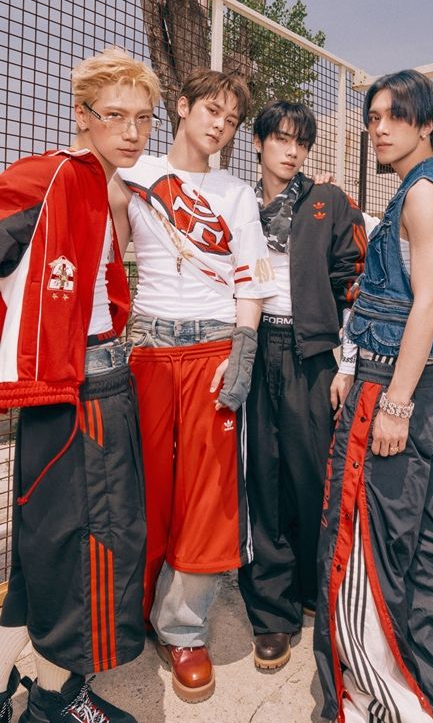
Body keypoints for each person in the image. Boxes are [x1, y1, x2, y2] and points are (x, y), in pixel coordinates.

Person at [314, 70, 433, 723]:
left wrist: (392, 404)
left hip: (394, 389)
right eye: (373, 117)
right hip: (411, 385)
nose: (379, 128)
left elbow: (429, 303)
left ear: (426, 124)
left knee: (362, 550)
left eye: (394, 116)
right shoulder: (429, 186)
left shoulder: (421, 193)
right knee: (431, 550)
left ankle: (376, 701)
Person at [0, 47, 161, 723]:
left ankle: (20, 689)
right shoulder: (49, 175)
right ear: (82, 114)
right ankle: (58, 701)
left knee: (46, 547)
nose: (131, 131)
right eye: (115, 115)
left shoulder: (102, 184)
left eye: (143, 118)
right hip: (77, 395)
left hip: (89, 383)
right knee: (90, 546)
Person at [109, 68, 276, 704]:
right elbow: (107, 255)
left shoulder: (236, 193)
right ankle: (128, 613)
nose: (220, 126)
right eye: (212, 111)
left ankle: (183, 628)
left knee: (208, 493)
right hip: (148, 347)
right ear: (181, 107)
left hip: (212, 347)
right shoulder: (135, 175)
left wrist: (243, 348)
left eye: (232, 121)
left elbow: (252, 278)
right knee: (143, 485)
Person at [238, 100, 367, 671]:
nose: (292, 152)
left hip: (311, 352)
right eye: (282, 139)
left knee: (313, 473)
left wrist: (349, 363)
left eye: (301, 142)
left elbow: (356, 282)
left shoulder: (328, 201)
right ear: (259, 142)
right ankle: (272, 611)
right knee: (261, 477)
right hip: (251, 344)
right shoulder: (238, 203)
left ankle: (319, 587)